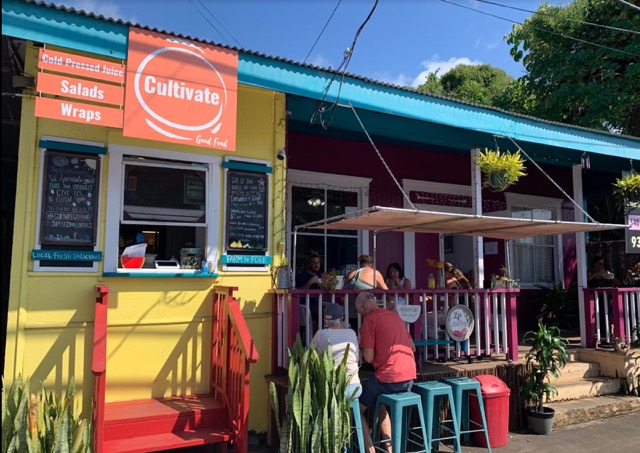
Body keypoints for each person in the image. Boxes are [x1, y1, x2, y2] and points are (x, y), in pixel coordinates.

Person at [355, 291, 416, 452]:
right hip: (410, 376)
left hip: (389, 377)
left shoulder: (369, 320)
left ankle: (369, 449)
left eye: (360, 313)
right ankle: (389, 449)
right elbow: (413, 347)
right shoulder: (394, 316)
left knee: (355, 408)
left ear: (364, 307)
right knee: (379, 405)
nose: (361, 316)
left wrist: (360, 346)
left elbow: (368, 358)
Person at [310, 303, 362, 399]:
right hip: (354, 387)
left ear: (325, 320)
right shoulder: (351, 333)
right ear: (342, 318)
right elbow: (357, 358)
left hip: (330, 388)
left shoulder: (321, 334)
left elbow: (311, 357)